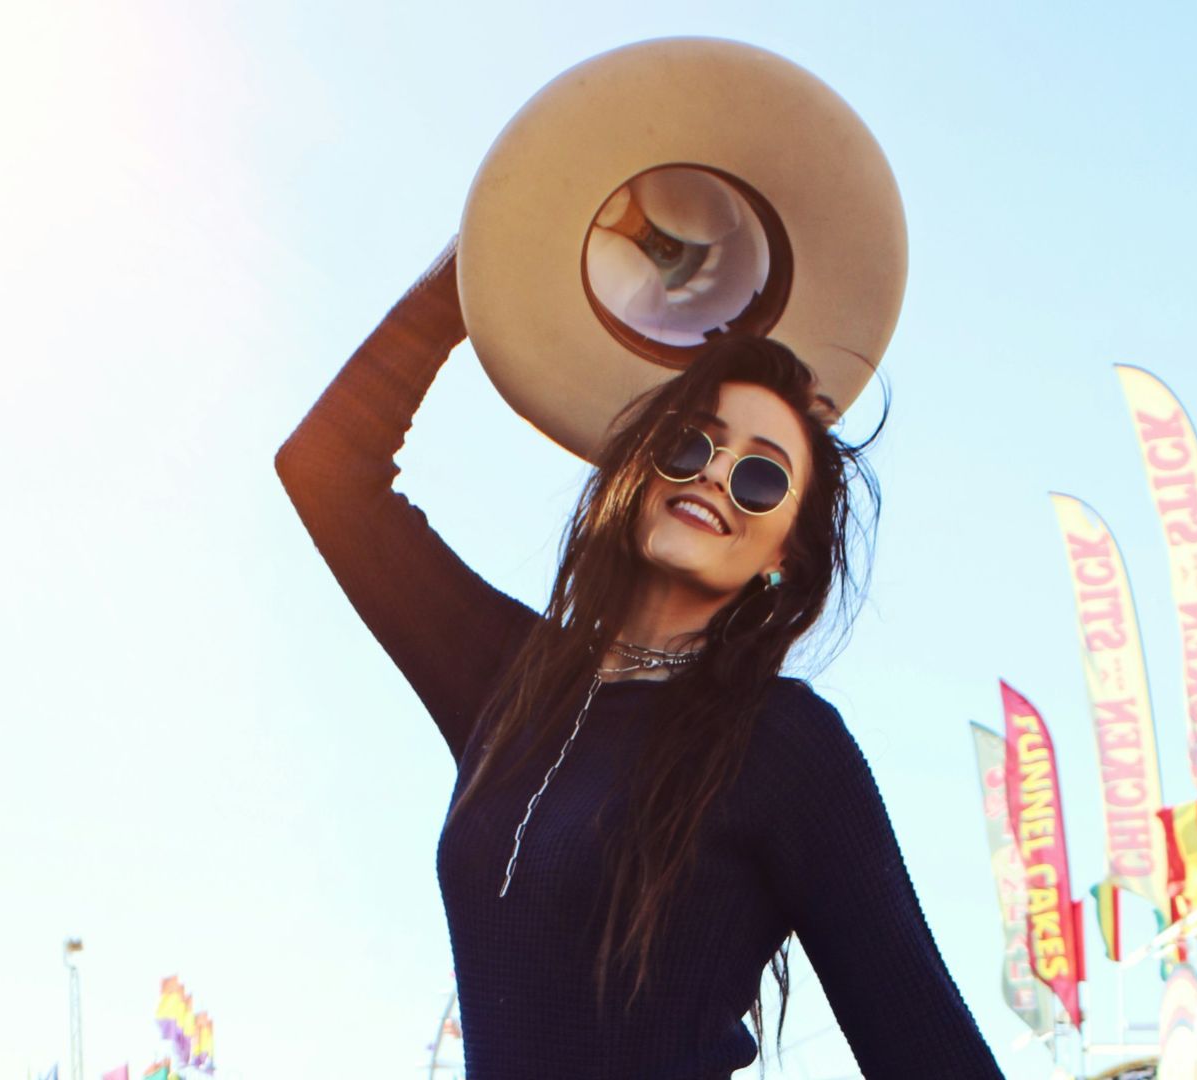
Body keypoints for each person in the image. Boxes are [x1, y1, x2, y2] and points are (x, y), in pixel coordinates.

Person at [275, 238, 1003, 1079]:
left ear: (785, 556)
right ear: (643, 467)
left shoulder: (787, 747)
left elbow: (930, 1050)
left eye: (761, 479)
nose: (716, 475)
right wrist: (484, 253)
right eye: (693, 444)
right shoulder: (511, 682)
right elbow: (326, 470)